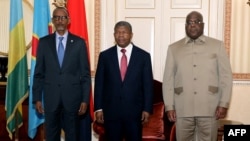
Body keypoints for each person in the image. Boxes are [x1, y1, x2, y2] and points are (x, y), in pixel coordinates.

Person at [162, 11, 232, 141]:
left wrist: (223, 103)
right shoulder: (174, 48)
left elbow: (226, 77)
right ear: (185, 26)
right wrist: (169, 106)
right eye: (189, 22)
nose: (192, 25)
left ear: (203, 24)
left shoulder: (217, 46)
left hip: (210, 108)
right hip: (182, 109)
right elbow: (168, 80)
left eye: (196, 22)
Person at [32, 7, 91, 141]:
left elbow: (85, 75)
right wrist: (37, 98)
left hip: (73, 100)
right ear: (52, 20)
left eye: (63, 17)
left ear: (68, 20)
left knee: (72, 136)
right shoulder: (44, 42)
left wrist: (85, 100)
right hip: (51, 99)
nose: (60, 21)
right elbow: (39, 73)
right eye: (56, 17)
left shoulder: (79, 43)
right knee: (51, 136)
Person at [94, 21, 154, 141]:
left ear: (131, 35)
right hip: (111, 113)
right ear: (114, 35)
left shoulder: (143, 56)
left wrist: (147, 109)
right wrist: (98, 108)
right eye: (118, 32)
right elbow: (99, 84)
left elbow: (148, 85)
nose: (121, 35)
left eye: (124, 32)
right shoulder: (105, 56)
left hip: (134, 113)